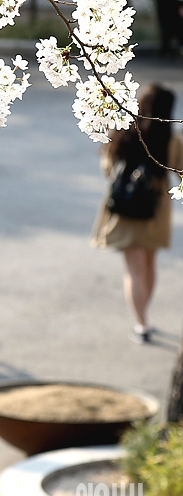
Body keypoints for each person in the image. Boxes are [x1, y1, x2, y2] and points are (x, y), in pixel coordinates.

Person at [92, 83, 183, 343]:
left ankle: (141, 323)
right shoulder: (172, 138)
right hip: (156, 208)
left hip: (125, 207)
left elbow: (108, 169)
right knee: (148, 263)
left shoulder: (123, 131)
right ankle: (144, 317)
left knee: (134, 269)